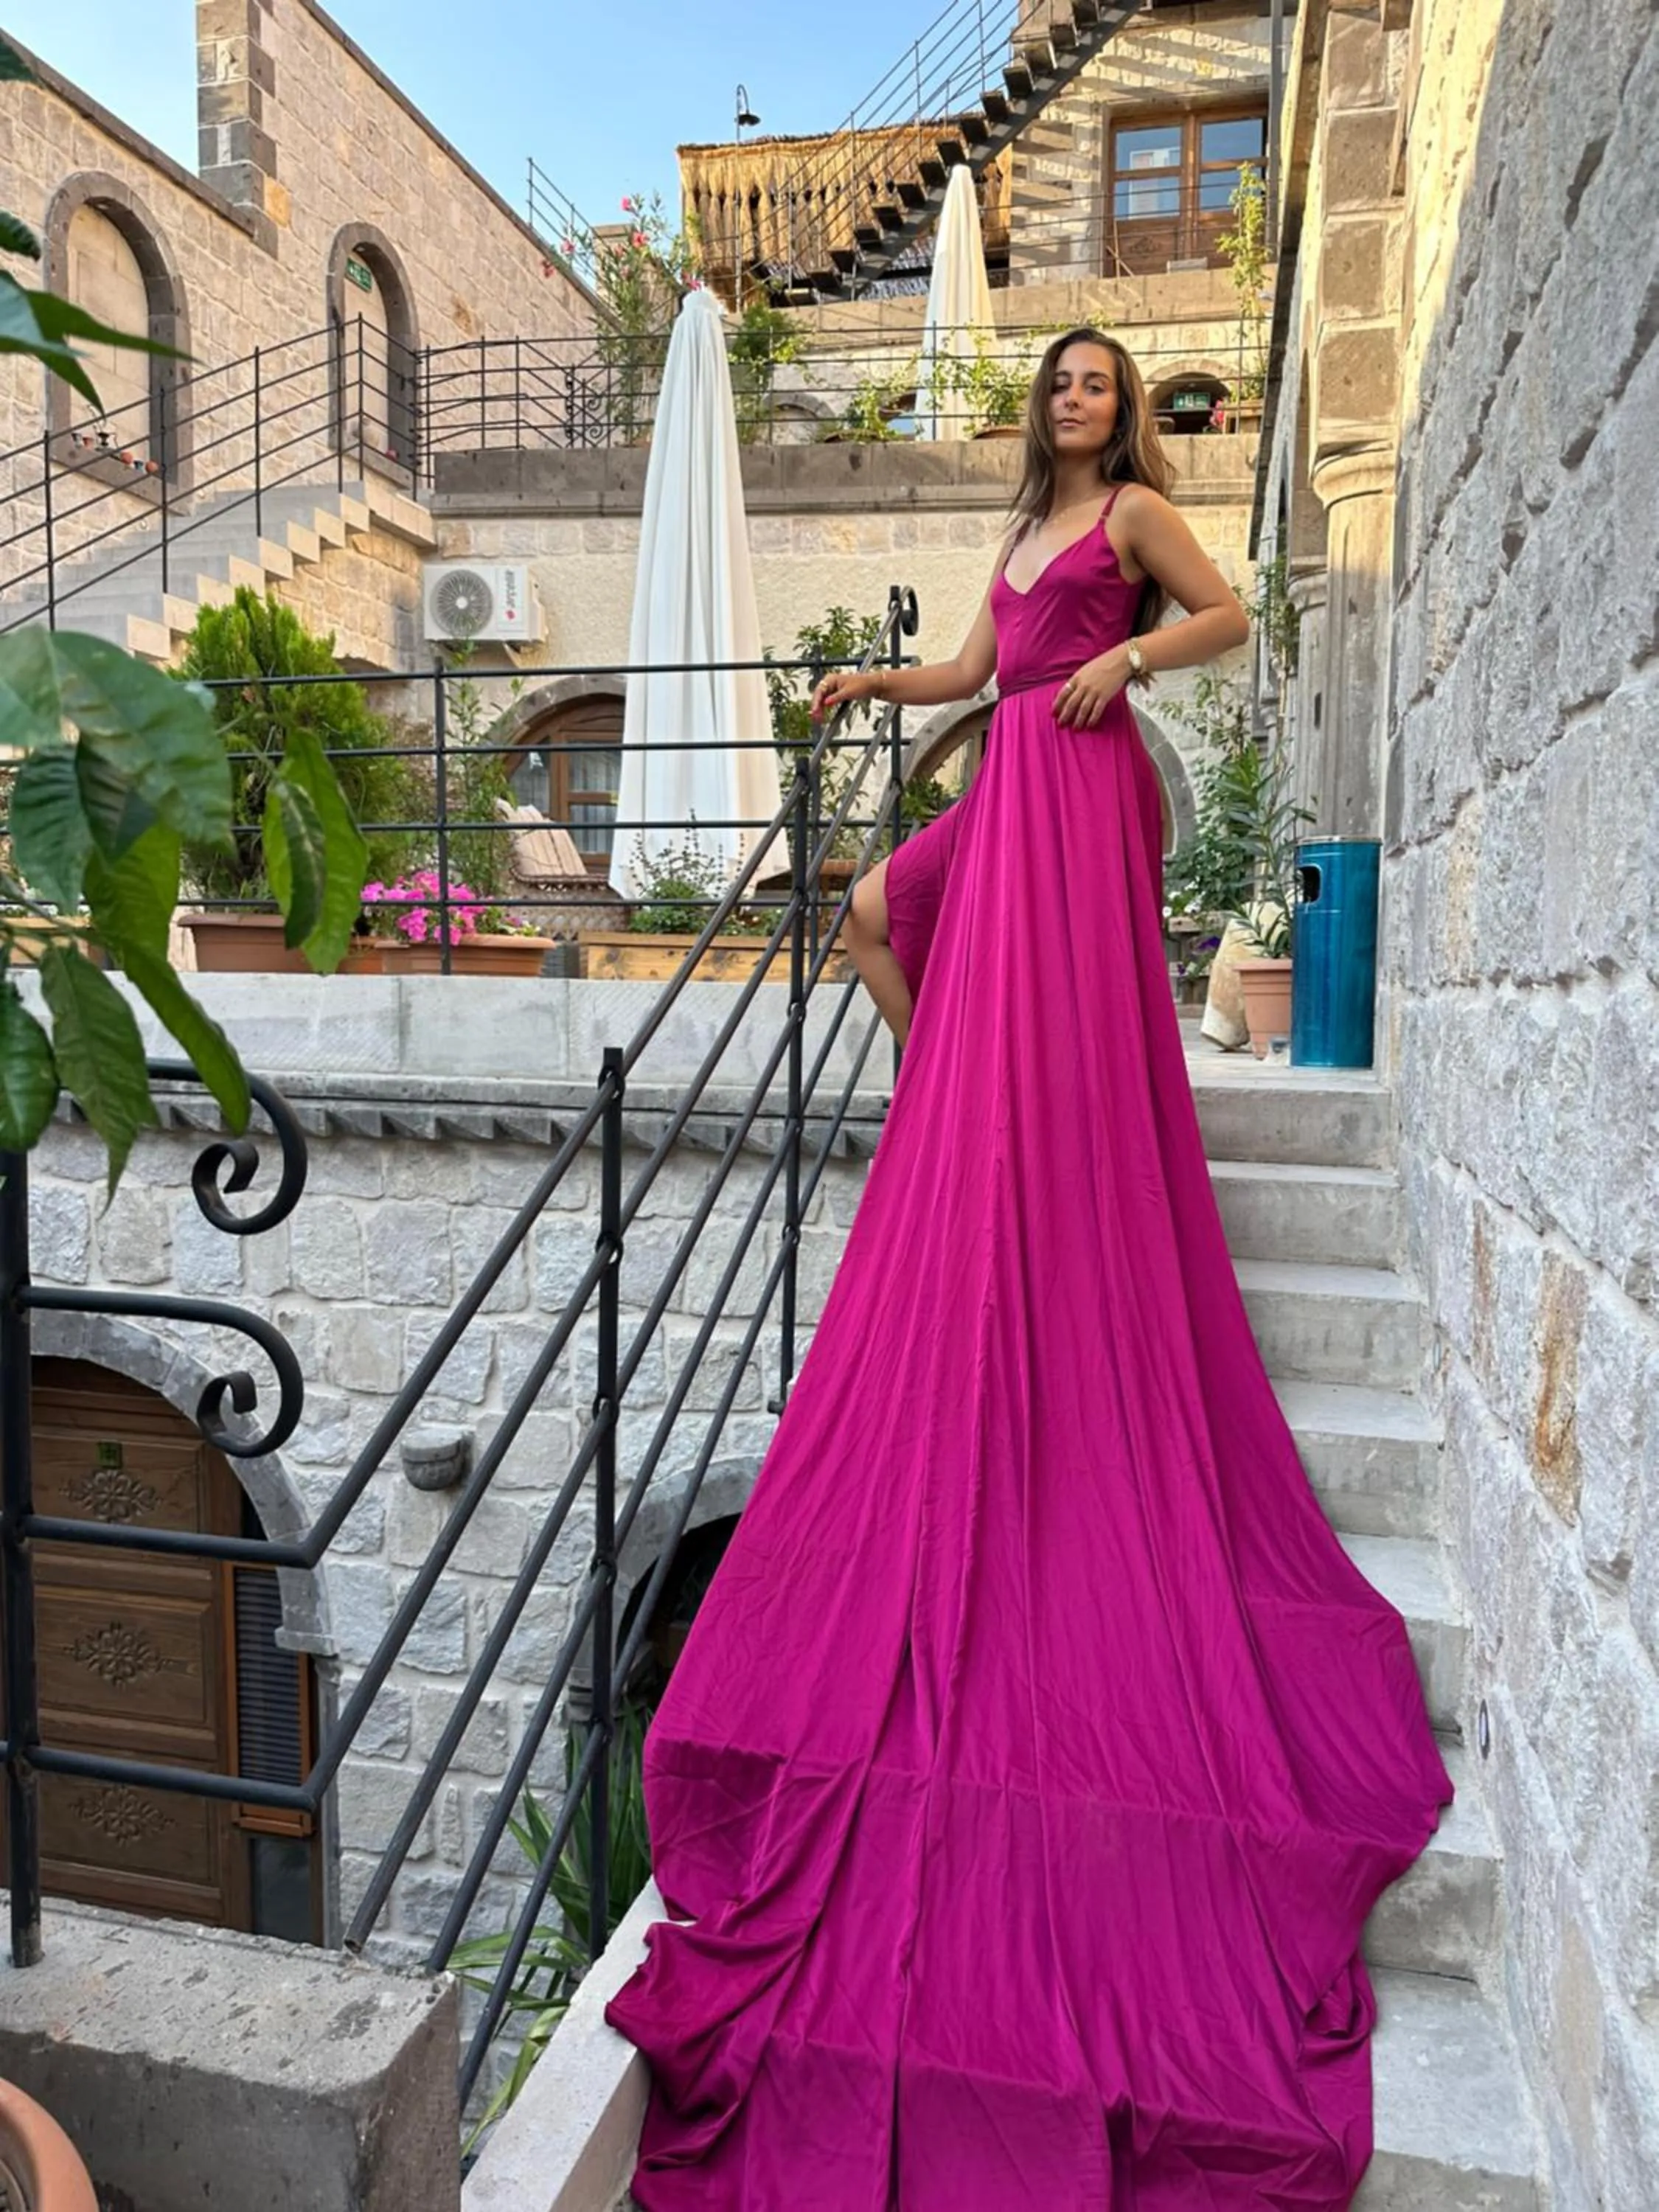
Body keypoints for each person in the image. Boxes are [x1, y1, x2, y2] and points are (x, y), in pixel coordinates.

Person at [605, 329, 1452, 2211]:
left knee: (985, 960)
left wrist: (1128, 666)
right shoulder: (1022, 530)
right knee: (872, 907)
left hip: (1085, 789)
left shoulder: (1142, 512)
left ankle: (1016, 1127)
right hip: (1008, 763)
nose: (1072, 400)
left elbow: (1227, 621)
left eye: (1091, 382)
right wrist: (868, 676)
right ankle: (959, 1109)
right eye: (1056, 385)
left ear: (1120, 404)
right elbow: (979, 670)